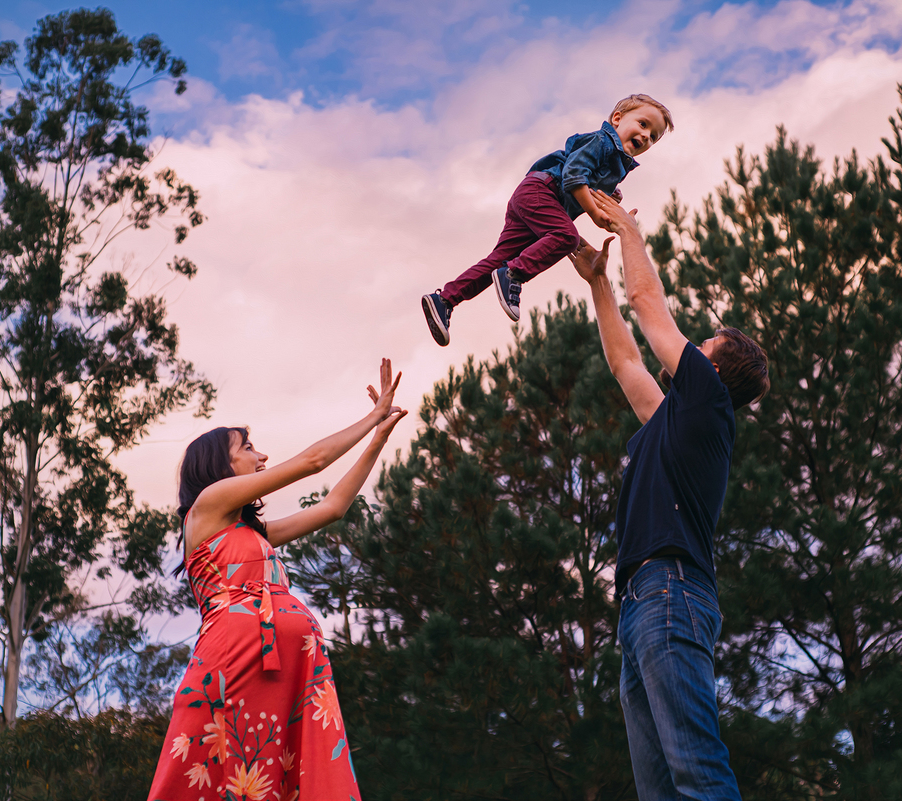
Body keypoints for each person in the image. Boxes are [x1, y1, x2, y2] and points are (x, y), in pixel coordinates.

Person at [569, 192, 769, 800]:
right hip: (639, 605)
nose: (692, 346)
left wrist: (627, 226)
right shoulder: (674, 419)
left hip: (670, 592)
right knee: (660, 789)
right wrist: (599, 282)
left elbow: (648, 304)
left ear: (714, 369)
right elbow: (625, 358)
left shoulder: (707, 401)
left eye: (703, 344)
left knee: (697, 773)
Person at [148, 359, 408, 801]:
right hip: (235, 662)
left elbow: (332, 508)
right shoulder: (208, 507)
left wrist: (377, 440)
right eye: (248, 447)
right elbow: (313, 461)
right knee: (223, 776)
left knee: (277, 780)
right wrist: (372, 416)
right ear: (218, 463)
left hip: (288, 670)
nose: (261, 455)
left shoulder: (254, 535)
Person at [421, 94, 673, 346]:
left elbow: (588, 181)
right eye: (643, 124)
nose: (645, 136)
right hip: (541, 191)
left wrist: (606, 194)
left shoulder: (618, 163)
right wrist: (596, 213)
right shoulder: (603, 142)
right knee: (566, 237)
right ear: (617, 119)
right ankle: (513, 274)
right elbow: (574, 175)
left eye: (653, 136)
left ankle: (445, 300)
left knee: (497, 260)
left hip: (534, 199)